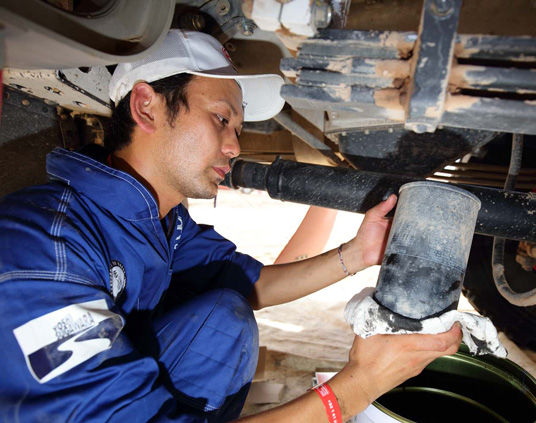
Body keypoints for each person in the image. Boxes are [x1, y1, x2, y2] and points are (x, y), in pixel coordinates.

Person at [0, 30, 462, 422]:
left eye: (237, 129)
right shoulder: (44, 251)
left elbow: (254, 284)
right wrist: (354, 389)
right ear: (146, 107)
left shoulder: (161, 224)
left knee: (225, 318)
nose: (234, 147)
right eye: (221, 119)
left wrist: (360, 253)